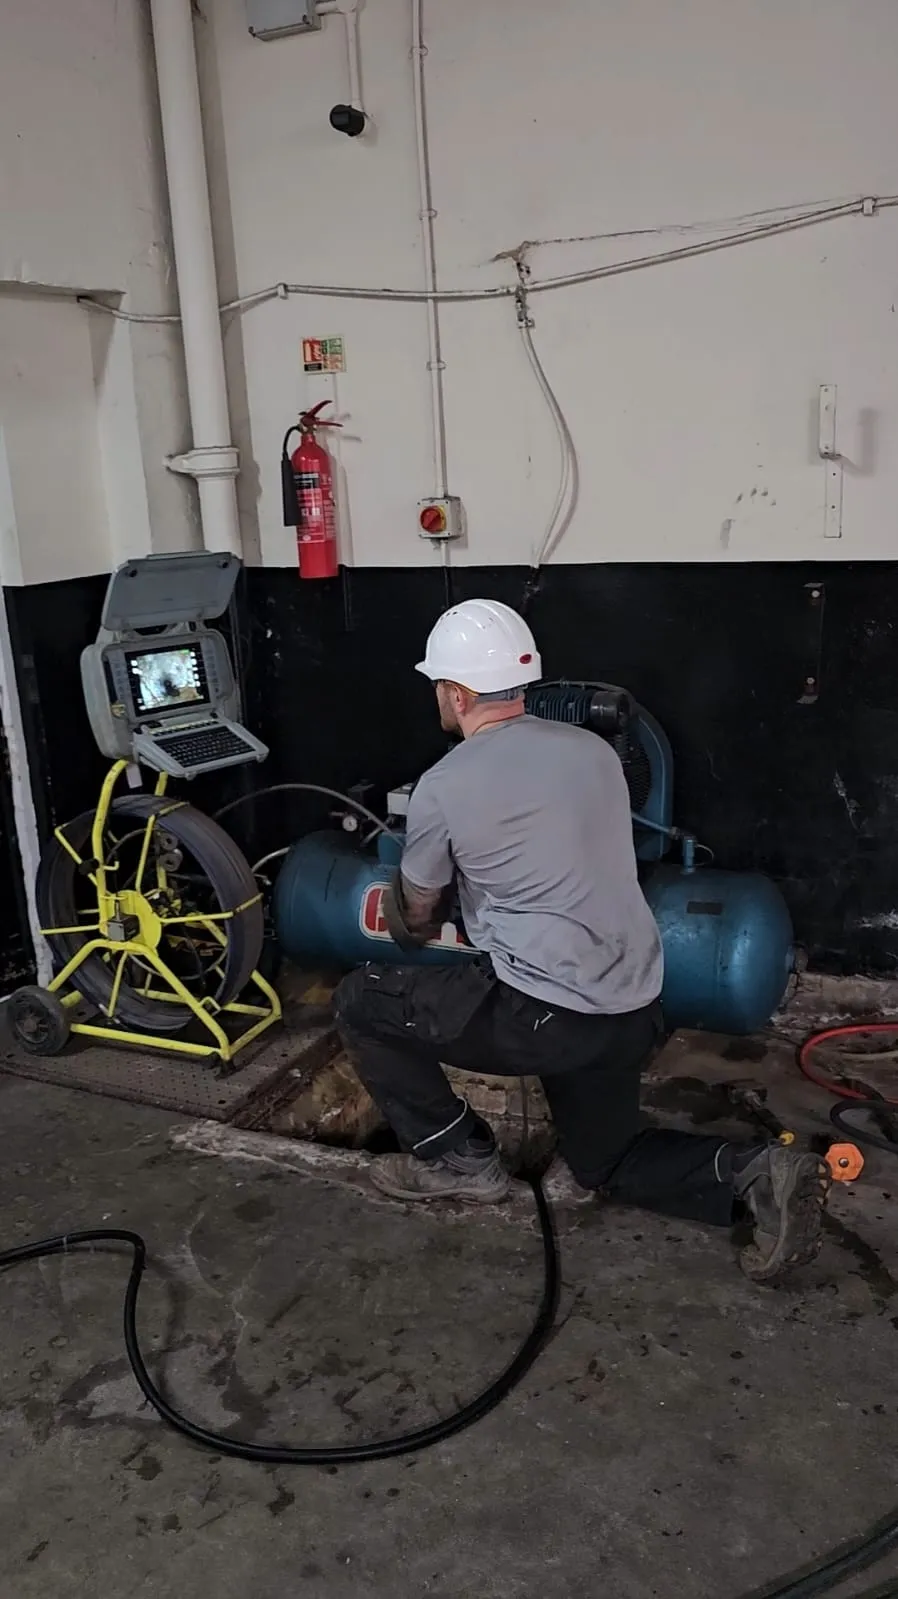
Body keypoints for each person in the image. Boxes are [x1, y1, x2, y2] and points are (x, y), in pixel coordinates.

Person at [334, 599, 830, 1281]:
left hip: (544, 1015)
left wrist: (408, 909)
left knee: (363, 999)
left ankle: (459, 1160)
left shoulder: (444, 785)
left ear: (455, 692)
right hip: (633, 1007)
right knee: (606, 1163)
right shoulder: (593, 750)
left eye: (437, 688)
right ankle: (757, 1173)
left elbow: (414, 919)